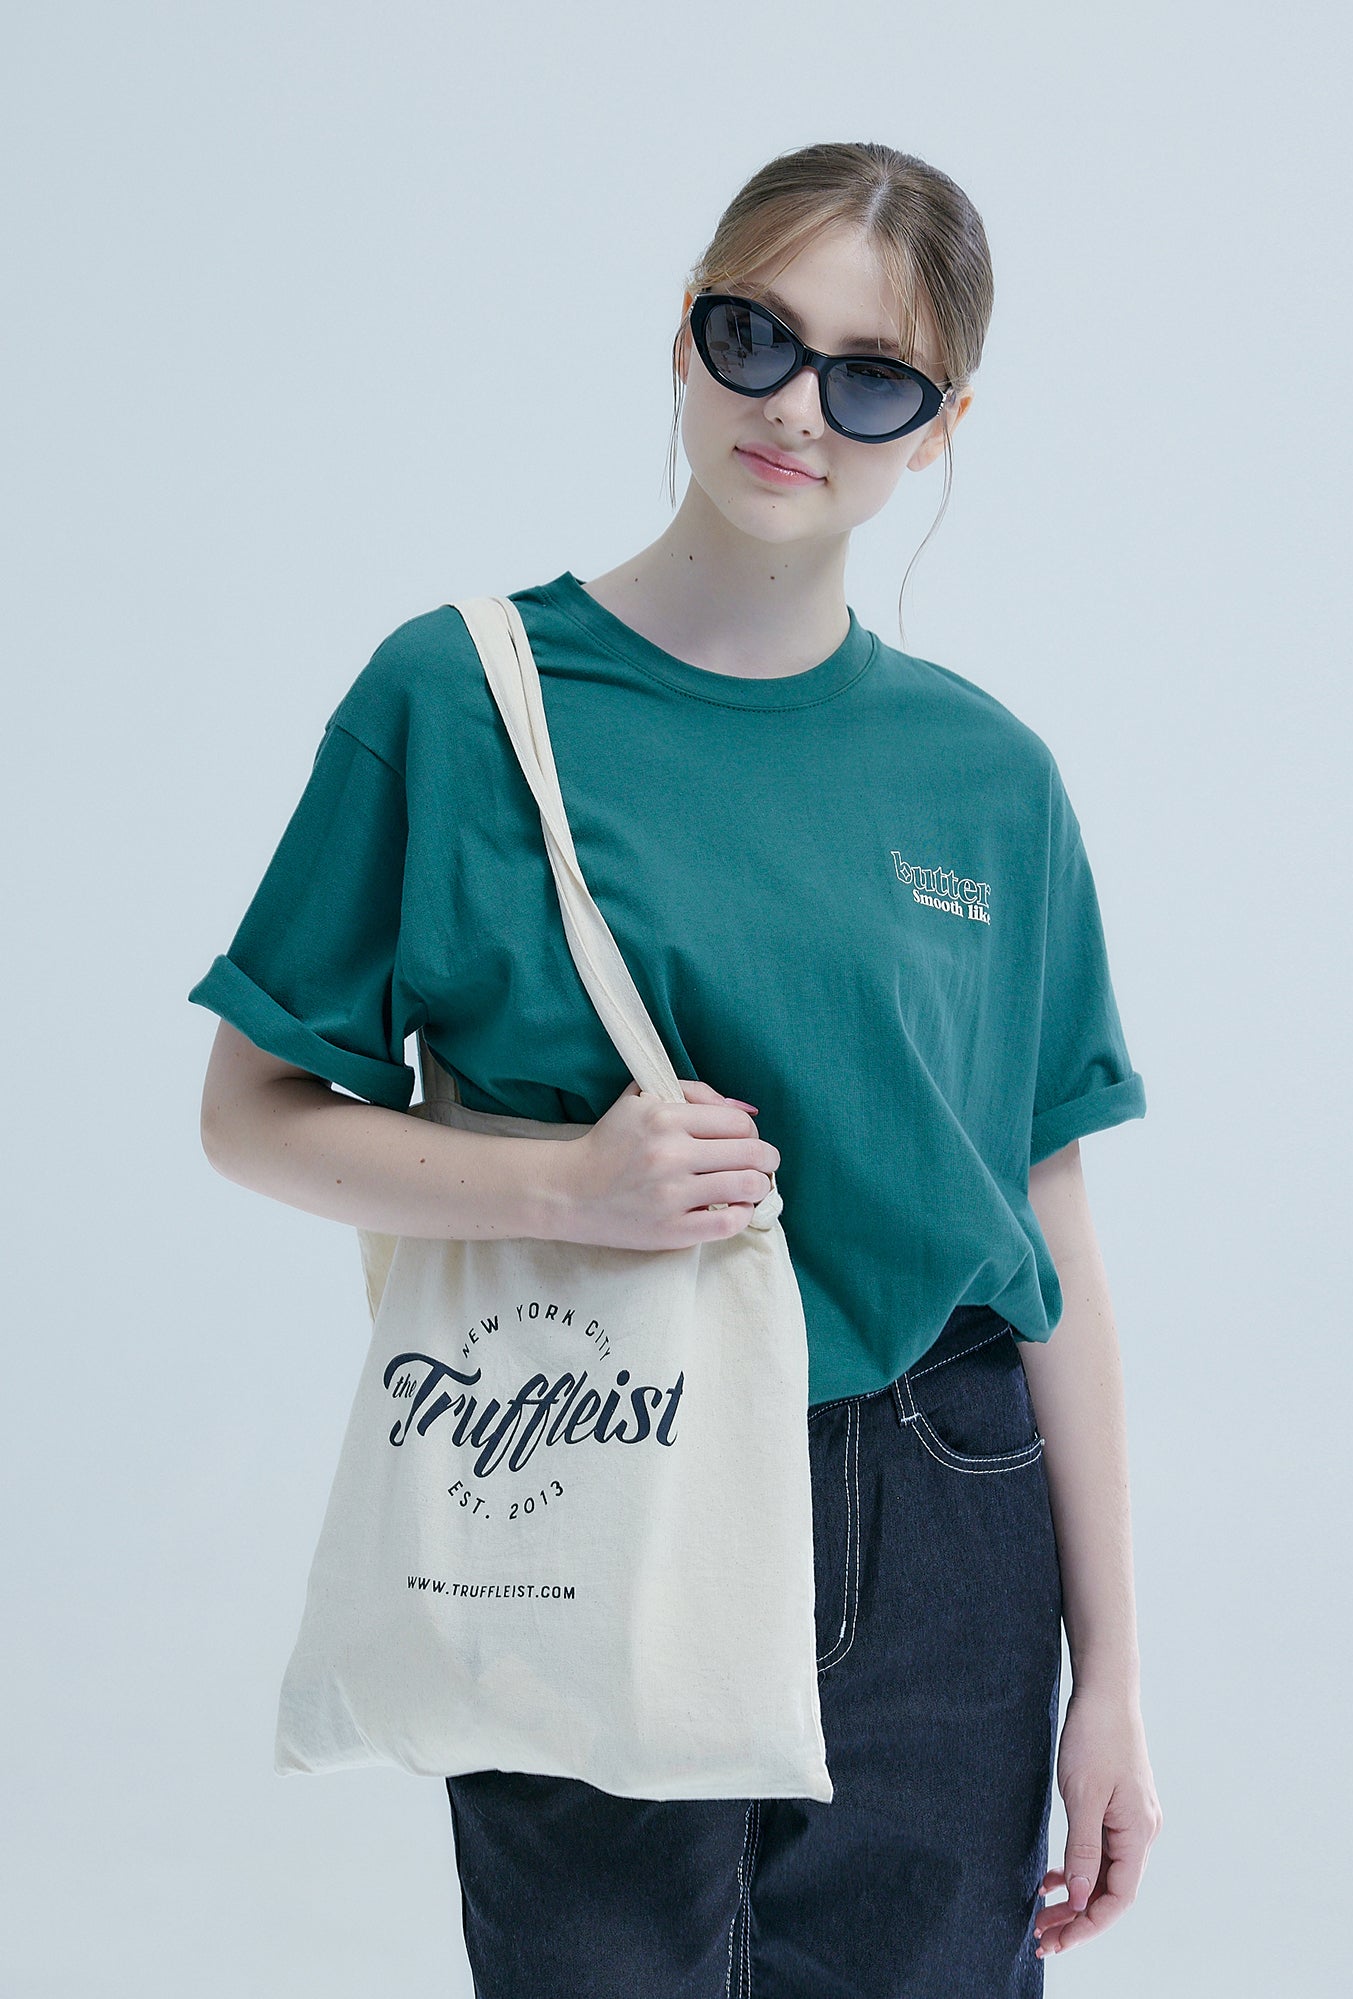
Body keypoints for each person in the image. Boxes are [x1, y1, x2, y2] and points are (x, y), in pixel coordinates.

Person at [189, 139, 1163, 1997]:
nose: (797, 406)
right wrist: (565, 1187)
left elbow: (1048, 1231)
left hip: (943, 1495)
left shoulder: (990, 778)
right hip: (588, 1462)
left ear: (938, 425)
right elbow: (251, 1112)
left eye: (870, 377)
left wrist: (1112, 1680)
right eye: (755, 337)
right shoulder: (461, 696)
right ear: (684, 341)